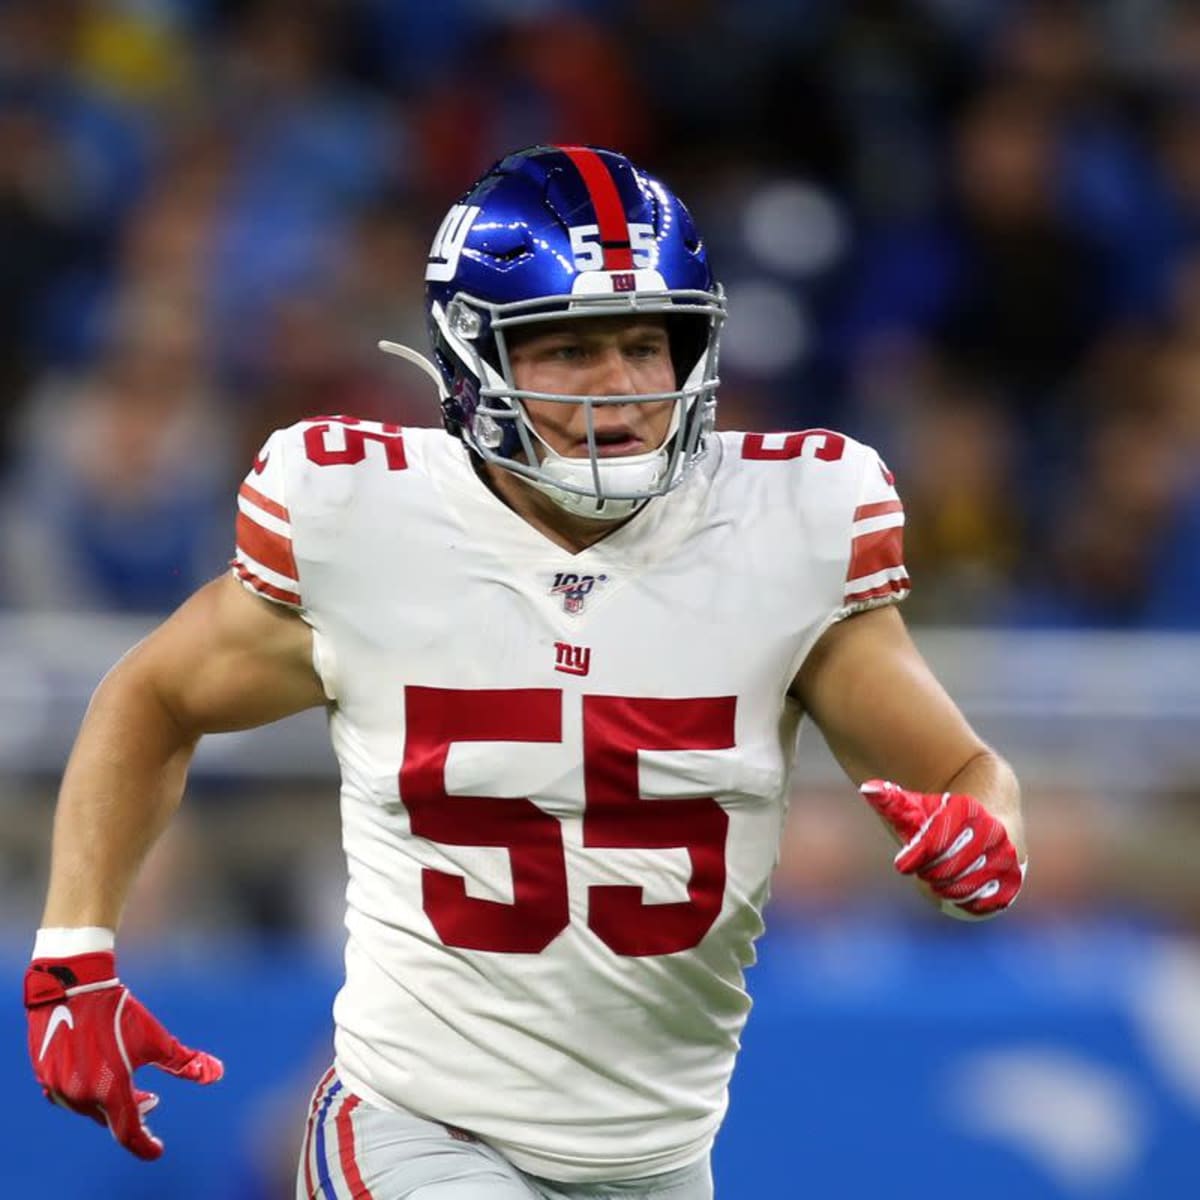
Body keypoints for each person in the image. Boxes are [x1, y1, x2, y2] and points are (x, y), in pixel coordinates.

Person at [24, 145, 1027, 1199]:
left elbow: (961, 773)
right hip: (415, 1127)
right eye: (572, 350)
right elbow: (152, 695)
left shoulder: (789, 529)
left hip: (658, 1161)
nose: (623, 389)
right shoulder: (361, 520)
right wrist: (75, 953)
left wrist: (985, 835)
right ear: (472, 360)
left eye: (649, 343)